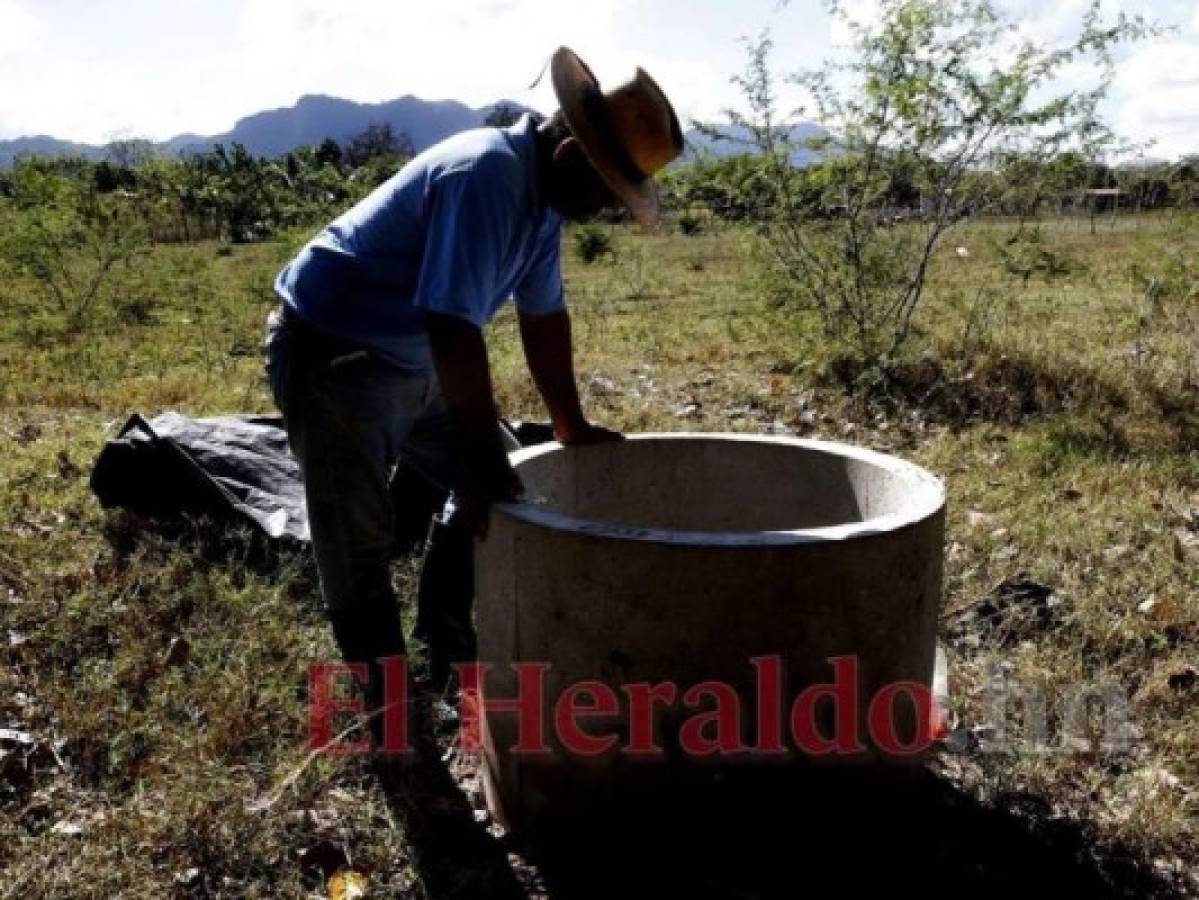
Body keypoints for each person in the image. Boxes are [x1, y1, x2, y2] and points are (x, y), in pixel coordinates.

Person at [264, 46, 683, 723]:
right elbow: (452, 326)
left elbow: (543, 316)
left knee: (498, 483)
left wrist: (568, 425)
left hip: (411, 356)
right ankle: (389, 711)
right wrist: (483, 460)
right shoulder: (486, 175)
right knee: (358, 537)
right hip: (334, 350)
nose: (603, 210)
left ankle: (445, 641)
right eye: (605, 193)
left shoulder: (542, 200)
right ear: (572, 158)